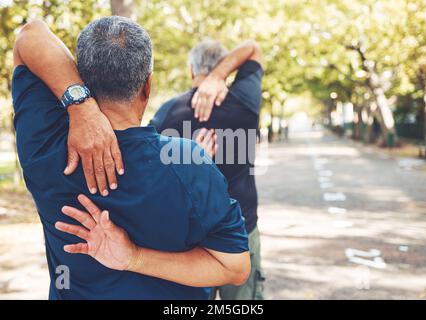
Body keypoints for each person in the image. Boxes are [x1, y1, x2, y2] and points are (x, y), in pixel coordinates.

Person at [12, 16, 250, 300]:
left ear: (82, 77)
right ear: (147, 85)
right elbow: (233, 267)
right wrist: (134, 259)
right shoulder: (189, 162)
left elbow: (30, 34)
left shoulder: (44, 144)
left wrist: (80, 106)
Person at [151, 39, 265, 300]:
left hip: (188, 237)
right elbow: (253, 48)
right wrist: (219, 76)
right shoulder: (244, 101)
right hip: (241, 230)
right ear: (226, 68)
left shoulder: (168, 113)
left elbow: (151, 176)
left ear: (192, 70)